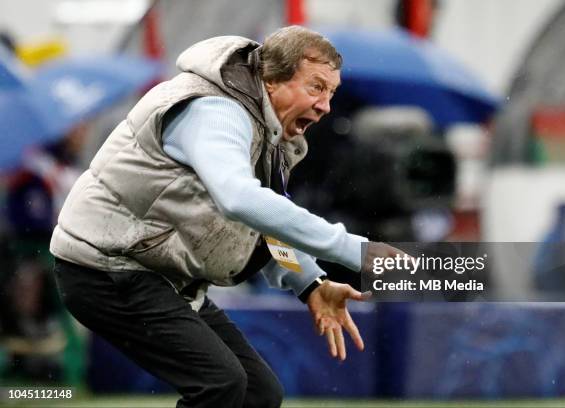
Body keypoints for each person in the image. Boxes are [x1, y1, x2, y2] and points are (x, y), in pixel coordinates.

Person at [50, 26, 403, 407]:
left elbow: (262, 226)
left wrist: (311, 283)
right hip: (106, 268)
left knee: (258, 395)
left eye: (331, 92)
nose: (326, 106)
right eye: (316, 87)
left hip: (159, 276)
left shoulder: (266, 129)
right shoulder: (214, 110)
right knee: (221, 385)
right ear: (271, 81)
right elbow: (241, 200)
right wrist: (358, 253)